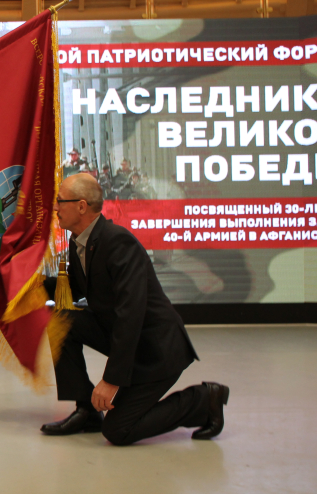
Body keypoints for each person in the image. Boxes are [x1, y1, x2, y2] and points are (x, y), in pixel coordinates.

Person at [41, 173, 228, 446]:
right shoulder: (79, 241)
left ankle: (203, 399)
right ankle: (87, 411)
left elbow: (130, 314)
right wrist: (28, 289)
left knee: (118, 430)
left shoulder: (117, 242)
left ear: (81, 206)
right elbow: (74, 288)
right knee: (59, 320)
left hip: (156, 349)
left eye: (60, 201)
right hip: (128, 339)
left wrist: (111, 380)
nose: (55, 207)